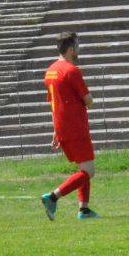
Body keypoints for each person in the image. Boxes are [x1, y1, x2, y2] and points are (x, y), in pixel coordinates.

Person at [40, 32, 99, 221]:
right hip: (75, 127)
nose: (79, 50)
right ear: (71, 49)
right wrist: (88, 102)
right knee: (89, 171)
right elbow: (88, 101)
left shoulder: (50, 71)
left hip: (63, 126)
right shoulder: (71, 71)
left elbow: (53, 104)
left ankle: (84, 210)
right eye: (78, 47)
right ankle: (52, 197)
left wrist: (56, 130)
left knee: (83, 167)